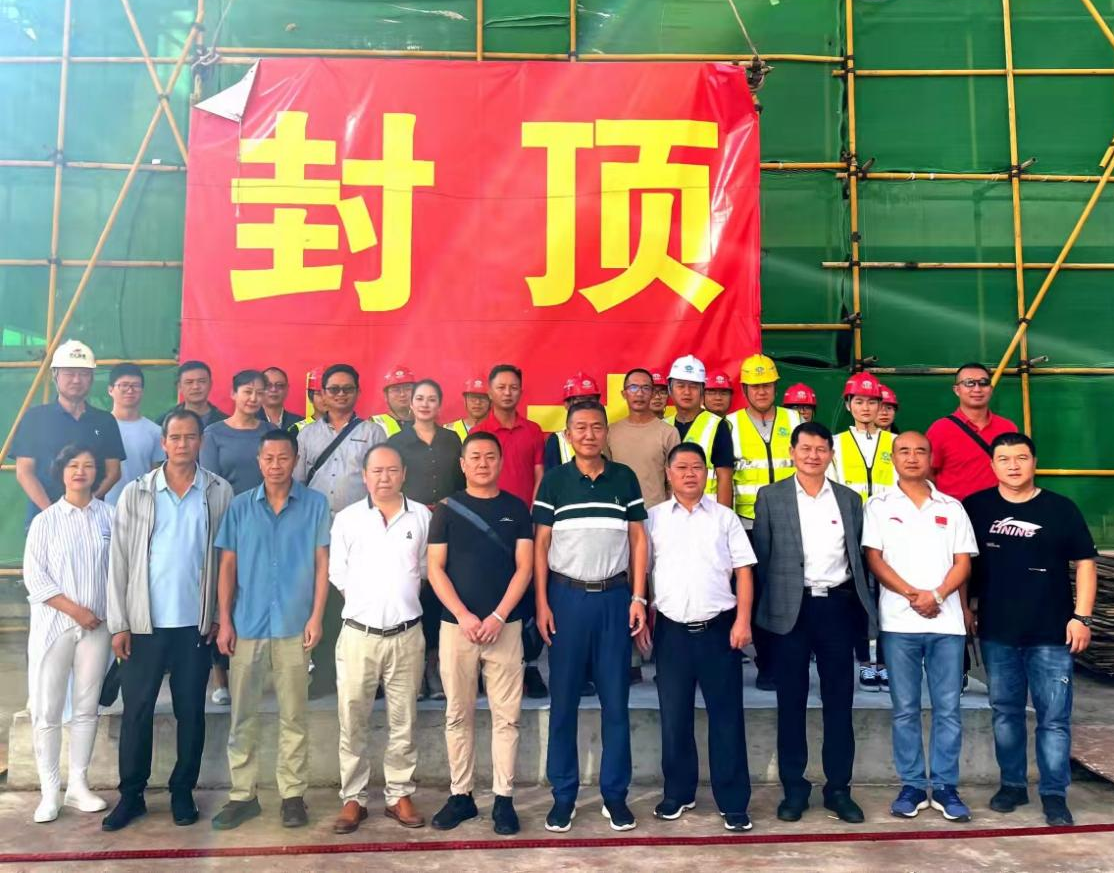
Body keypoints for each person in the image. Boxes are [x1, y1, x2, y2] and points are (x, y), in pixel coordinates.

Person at [102, 410, 233, 832]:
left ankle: (182, 791)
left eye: (190, 437)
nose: (182, 444)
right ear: (163, 443)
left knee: (190, 711)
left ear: (200, 442)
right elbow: (119, 560)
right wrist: (119, 623)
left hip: (195, 624)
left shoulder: (218, 491)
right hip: (144, 623)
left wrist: (219, 613)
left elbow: (225, 559)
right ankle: (131, 795)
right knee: (137, 710)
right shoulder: (137, 492)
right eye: (175, 437)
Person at [964, 432, 1098, 827]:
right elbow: (963, 563)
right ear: (992, 465)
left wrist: (1082, 617)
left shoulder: (1060, 509)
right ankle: (1012, 785)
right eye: (1004, 459)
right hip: (997, 632)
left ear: (1034, 462)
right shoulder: (977, 507)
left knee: (1053, 718)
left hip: (1051, 633)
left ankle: (1054, 794)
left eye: (1021, 458)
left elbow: (1085, 563)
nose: (1013, 466)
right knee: (1005, 713)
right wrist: (966, 608)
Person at [533, 400, 649, 833]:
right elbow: (541, 545)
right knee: (563, 702)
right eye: (579, 427)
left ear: (606, 432)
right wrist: (542, 604)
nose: (588, 434)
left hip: (614, 600)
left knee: (615, 703)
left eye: (596, 427)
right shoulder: (555, 481)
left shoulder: (624, 478)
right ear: (567, 435)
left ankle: (615, 796)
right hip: (566, 600)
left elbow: (638, 540)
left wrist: (639, 597)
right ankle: (563, 797)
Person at [752, 421, 875, 825]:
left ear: (830, 455)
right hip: (790, 611)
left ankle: (838, 789)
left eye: (821, 449)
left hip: (837, 608)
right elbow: (763, 561)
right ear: (792, 452)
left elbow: (858, 559)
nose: (813, 456)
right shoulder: (771, 497)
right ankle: (794, 788)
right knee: (791, 702)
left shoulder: (849, 499)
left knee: (839, 702)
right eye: (805, 448)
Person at [210, 429, 331, 831]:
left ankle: (292, 795)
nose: (276, 465)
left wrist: (316, 617)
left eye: (283, 458)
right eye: (269, 458)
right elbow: (227, 567)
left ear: (295, 460)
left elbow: (322, 565)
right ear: (259, 461)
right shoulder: (240, 507)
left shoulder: (315, 505)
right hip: (247, 624)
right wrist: (225, 621)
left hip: (295, 625)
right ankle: (243, 796)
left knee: (294, 715)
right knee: (242, 714)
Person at [863, 431, 979, 823]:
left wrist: (938, 595)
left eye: (920, 451)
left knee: (948, 709)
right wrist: (914, 595)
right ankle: (912, 785)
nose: (912, 457)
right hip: (899, 623)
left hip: (947, 625)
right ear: (892, 458)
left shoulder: (952, 507)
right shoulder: (878, 505)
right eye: (904, 451)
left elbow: (963, 562)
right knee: (905, 709)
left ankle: (945, 787)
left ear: (931, 458)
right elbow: (875, 559)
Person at [427, 431, 533, 835]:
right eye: (475, 457)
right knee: (458, 713)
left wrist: (498, 616)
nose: (483, 463)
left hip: (505, 627)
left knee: (507, 716)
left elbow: (524, 567)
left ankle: (504, 799)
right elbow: (435, 568)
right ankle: (462, 795)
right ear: (463, 464)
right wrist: (464, 616)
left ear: (501, 462)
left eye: (490, 456)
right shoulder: (447, 509)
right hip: (457, 629)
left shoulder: (515, 508)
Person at [646, 443, 756, 832]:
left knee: (727, 718)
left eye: (697, 467)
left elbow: (744, 571)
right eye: (681, 467)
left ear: (707, 473)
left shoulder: (725, 518)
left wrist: (743, 621)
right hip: (672, 632)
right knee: (674, 718)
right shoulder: (653, 519)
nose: (689, 473)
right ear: (668, 474)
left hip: (719, 631)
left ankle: (733, 801)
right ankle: (678, 793)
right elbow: (641, 571)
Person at [329, 444, 430, 834]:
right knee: (352, 719)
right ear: (365, 476)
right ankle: (353, 798)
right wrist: (368, 605)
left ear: (403, 473)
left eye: (391, 470)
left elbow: (425, 569)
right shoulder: (348, 519)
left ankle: (399, 794)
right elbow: (338, 573)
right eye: (377, 471)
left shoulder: (421, 516)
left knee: (404, 719)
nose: (384, 478)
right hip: (359, 635)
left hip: (407, 635)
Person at [22, 445, 114, 823]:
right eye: (73, 465)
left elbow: (119, 571)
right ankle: (50, 791)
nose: (80, 471)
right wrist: (76, 611)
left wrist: (104, 616)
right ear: (61, 472)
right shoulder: (45, 521)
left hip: (98, 629)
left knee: (86, 707)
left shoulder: (110, 517)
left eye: (89, 465)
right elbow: (35, 578)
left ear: (97, 473)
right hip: (54, 627)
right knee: (47, 710)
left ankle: (78, 785)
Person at [294, 364, 387, 698]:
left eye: (347, 389)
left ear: (358, 392)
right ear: (322, 394)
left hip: (361, 533)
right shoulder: (306, 436)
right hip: (318, 531)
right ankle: (323, 673)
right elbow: (297, 484)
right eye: (333, 389)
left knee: (361, 602)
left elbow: (382, 482)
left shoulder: (373, 433)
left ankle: (367, 677)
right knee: (323, 602)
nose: (340, 395)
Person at [724, 354, 800, 691]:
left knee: (786, 595)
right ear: (744, 389)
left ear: (775, 386)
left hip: (789, 521)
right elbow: (725, 477)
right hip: (747, 525)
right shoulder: (730, 424)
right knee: (754, 596)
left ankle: (784, 662)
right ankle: (765, 664)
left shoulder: (794, 419)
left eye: (767, 384)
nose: (762, 391)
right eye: (755, 386)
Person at [388, 379, 466, 701]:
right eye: (419, 398)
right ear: (411, 403)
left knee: (438, 592)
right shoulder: (397, 441)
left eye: (431, 399)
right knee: (411, 589)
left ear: (439, 404)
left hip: (446, 524)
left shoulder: (452, 439)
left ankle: (434, 668)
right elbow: (390, 483)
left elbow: (462, 482)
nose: (424, 404)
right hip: (410, 524)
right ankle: (413, 670)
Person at [474, 364, 548, 699]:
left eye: (513, 387)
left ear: (520, 391)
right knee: (488, 590)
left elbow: (539, 476)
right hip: (487, 526)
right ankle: (482, 666)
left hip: (524, 524)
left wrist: (532, 517)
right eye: (501, 387)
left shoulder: (533, 430)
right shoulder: (480, 432)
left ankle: (530, 666)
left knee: (527, 594)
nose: (507, 393)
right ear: (490, 391)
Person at [10, 339, 125, 525]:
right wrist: (54, 513)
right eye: (69, 373)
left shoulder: (105, 421)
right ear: (55, 375)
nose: (76, 380)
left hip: (91, 521)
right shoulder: (35, 418)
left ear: (92, 378)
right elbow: (24, 472)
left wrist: (84, 508)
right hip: (43, 520)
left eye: (84, 373)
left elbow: (113, 472)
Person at [829, 373, 894, 692]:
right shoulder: (836, 443)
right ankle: (866, 661)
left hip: (889, 532)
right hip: (851, 531)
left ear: (881, 405)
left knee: (887, 596)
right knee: (857, 597)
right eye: (859, 401)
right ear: (848, 405)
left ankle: (886, 660)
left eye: (872, 401)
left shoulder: (894, 443)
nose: (866, 408)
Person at [926, 362, 1018, 502]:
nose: (977, 389)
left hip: (998, 510)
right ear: (957, 390)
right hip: (956, 510)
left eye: (983, 383)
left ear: (991, 389)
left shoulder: (1008, 427)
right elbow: (927, 474)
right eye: (969, 383)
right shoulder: (940, 429)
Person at [664, 355, 733, 508]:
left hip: (706, 511)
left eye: (693, 386)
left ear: (702, 391)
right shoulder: (664, 426)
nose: (687, 392)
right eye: (680, 386)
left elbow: (725, 477)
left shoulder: (717, 425)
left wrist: (723, 517)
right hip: (670, 513)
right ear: (670, 389)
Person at [606, 368, 680, 510]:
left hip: (655, 514)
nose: (639, 393)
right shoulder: (610, 432)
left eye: (645, 388)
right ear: (624, 393)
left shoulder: (669, 432)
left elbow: (674, 482)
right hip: (619, 513)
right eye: (633, 387)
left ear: (652, 393)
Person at [200, 370, 270, 496]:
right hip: (227, 504)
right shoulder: (213, 434)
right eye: (248, 392)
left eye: (259, 393)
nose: (253, 398)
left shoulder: (271, 431)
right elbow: (209, 483)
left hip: (266, 505)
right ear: (233, 393)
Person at [105, 363, 165, 506]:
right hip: (104, 507)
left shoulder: (155, 431)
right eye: (123, 385)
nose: (130, 390)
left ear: (142, 391)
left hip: (141, 507)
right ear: (110, 390)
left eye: (136, 386)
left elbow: (156, 474)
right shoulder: (99, 427)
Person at [544, 373, 601, 469]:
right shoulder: (557, 440)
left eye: (591, 401)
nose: (586, 406)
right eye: (580, 401)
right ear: (567, 405)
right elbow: (552, 477)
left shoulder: (606, 435)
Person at [157, 360, 228, 428]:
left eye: (201, 381)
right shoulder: (164, 422)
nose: (195, 387)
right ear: (179, 387)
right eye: (189, 382)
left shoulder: (225, 423)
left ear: (210, 384)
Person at [370, 365, 416, 437]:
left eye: (407, 388)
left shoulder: (426, 422)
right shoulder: (374, 424)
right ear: (386, 395)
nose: (402, 394)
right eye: (396, 389)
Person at [445, 376, 492, 441]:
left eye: (483, 398)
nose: (478, 402)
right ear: (465, 401)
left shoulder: (498, 431)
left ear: (490, 402)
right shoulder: (449, 430)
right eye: (473, 398)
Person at [258, 366, 302, 431]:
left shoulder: (299, 423)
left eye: (279, 385)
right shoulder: (248, 421)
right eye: (268, 385)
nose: (273, 389)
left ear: (287, 389)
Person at [291, 366, 327, 433]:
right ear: (310, 396)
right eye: (319, 394)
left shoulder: (345, 428)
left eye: (330, 393)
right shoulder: (298, 429)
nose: (325, 398)